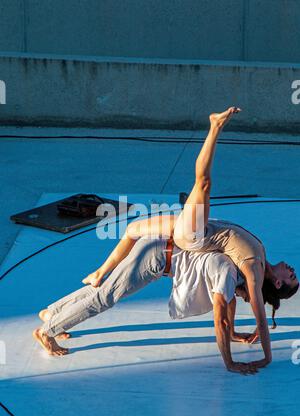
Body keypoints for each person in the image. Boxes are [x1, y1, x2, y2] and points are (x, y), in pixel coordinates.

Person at [81, 107, 299, 369]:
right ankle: (100, 272)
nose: (293, 270)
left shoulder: (254, 270)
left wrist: (266, 356)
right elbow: (235, 300)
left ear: (277, 284)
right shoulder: (262, 260)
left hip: (195, 235)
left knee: (203, 183)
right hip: (201, 228)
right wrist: (233, 334)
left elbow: (260, 319)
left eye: (292, 277)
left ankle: (215, 127)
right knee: (131, 231)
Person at [33, 231, 260, 374]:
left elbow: (229, 305)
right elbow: (219, 319)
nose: (243, 299)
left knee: (105, 289)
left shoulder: (238, 271)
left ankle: (54, 312)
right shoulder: (228, 273)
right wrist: (229, 363)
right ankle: (48, 330)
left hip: (158, 247)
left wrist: (233, 333)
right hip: (156, 256)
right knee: (106, 297)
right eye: (247, 297)